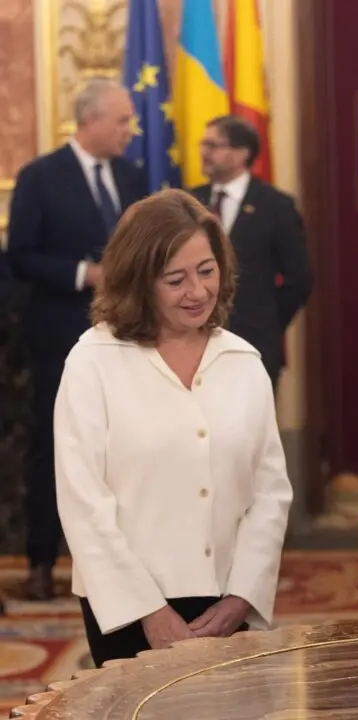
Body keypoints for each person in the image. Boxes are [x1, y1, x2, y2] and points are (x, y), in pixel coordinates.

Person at [53, 190, 294, 667]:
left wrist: (242, 597)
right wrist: (149, 611)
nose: (198, 291)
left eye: (207, 271)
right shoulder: (92, 362)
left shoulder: (243, 362)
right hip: (125, 606)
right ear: (139, 281)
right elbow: (83, 502)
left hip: (227, 603)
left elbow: (270, 492)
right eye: (176, 280)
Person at [6, 77, 147, 600]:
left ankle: (130, 563)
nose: (131, 130)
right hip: (59, 337)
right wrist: (83, 274)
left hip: (130, 337)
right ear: (91, 121)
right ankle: (42, 562)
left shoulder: (133, 177)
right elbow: (20, 255)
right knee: (54, 448)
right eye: (122, 120)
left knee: (129, 449)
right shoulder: (41, 177)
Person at [191, 115, 312, 392]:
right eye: (203, 144)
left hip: (254, 344)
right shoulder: (189, 201)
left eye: (213, 145)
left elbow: (299, 278)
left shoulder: (276, 206)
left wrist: (267, 321)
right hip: (194, 346)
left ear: (241, 153)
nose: (204, 152)